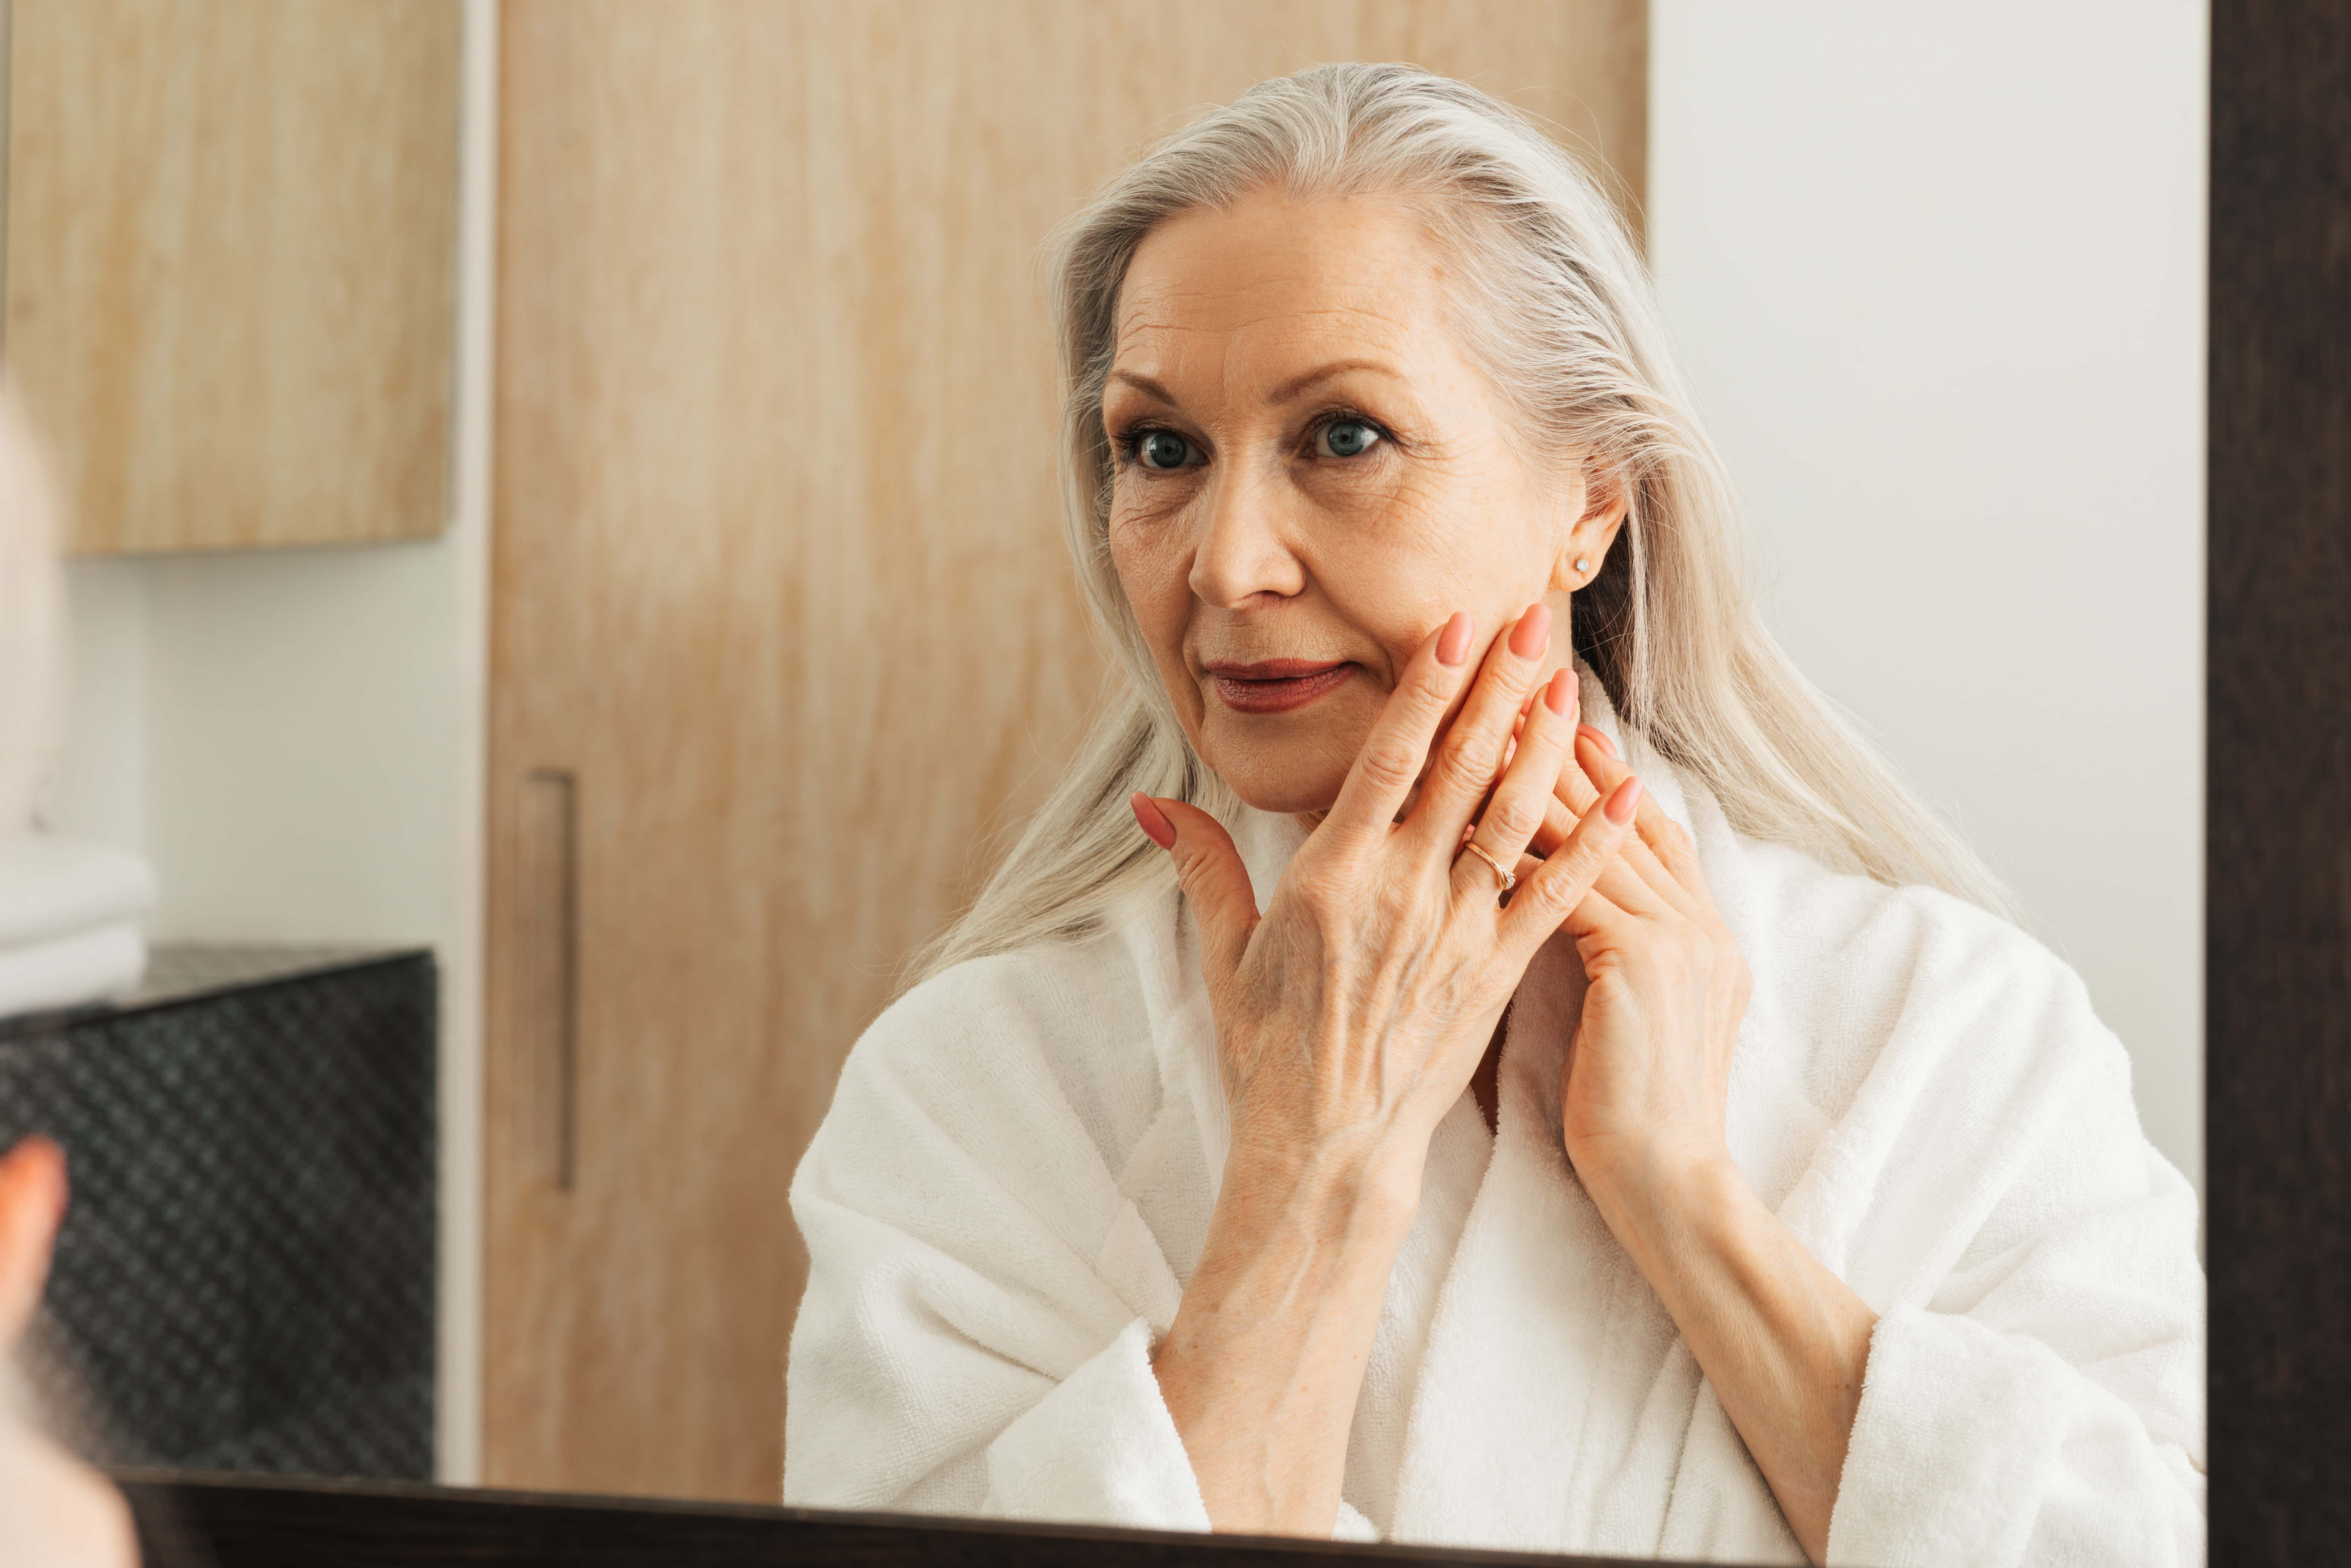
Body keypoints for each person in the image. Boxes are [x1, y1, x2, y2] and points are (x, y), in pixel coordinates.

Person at [782, 64, 2203, 1567]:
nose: (1225, 565)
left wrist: (1687, 1198)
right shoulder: (970, 1090)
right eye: (1162, 450)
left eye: (1343, 436)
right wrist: (1315, 1161)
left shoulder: (1951, 1030)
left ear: (1592, 497)